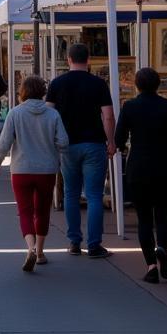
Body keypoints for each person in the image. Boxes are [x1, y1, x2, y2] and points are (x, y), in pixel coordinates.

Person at [114, 68, 167, 283]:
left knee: (144, 218)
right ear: (158, 84)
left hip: (139, 168)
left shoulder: (130, 107)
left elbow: (119, 138)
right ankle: (162, 248)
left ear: (137, 85)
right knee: (163, 215)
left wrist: (121, 147)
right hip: (164, 167)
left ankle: (151, 265)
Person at [45, 42, 115, 259]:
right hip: (94, 143)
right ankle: (94, 245)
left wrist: (52, 143)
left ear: (68, 60)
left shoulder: (57, 83)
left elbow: (49, 115)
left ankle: (74, 241)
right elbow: (108, 115)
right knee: (94, 195)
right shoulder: (99, 84)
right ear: (88, 60)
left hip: (67, 145)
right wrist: (111, 141)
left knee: (71, 193)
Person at [0, 75, 68, 272]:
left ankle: (30, 248)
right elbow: (63, 142)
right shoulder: (53, 114)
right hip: (46, 169)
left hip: (21, 169)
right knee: (42, 210)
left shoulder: (15, 113)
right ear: (43, 91)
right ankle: (40, 252)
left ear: (23, 91)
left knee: (25, 211)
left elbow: (4, 142)